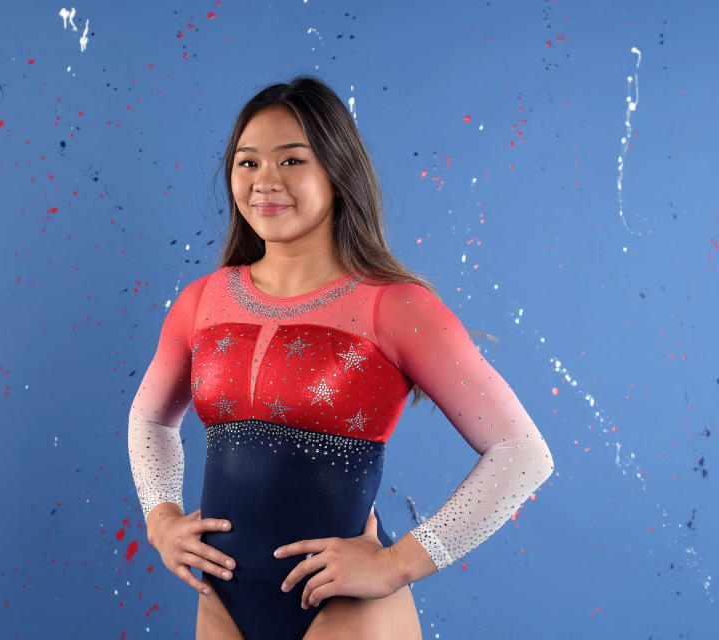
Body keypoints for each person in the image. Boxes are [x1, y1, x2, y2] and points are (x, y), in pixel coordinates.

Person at [128, 76, 555, 640]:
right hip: (221, 607)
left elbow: (522, 454)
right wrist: (161, 520)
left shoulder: (396, 306)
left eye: (292, 160)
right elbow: (151, 419)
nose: (265, 183)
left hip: (346, 613)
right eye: (247, 163)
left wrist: (397, 561)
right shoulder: (201, 301)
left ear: (336, 170)